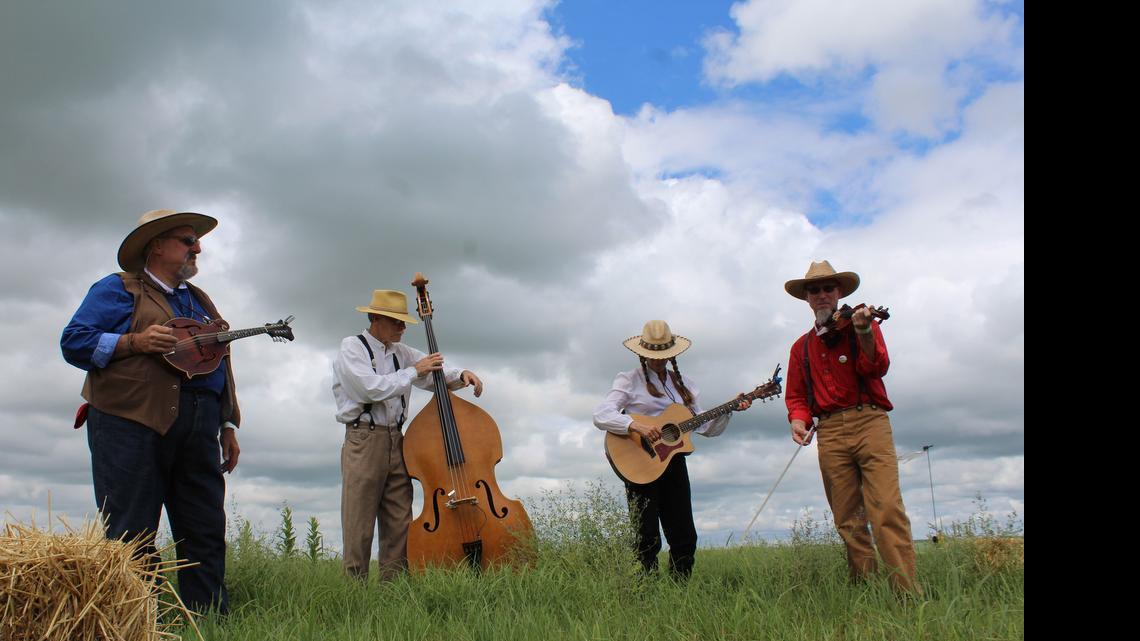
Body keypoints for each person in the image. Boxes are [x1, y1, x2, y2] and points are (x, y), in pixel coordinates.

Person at [60, 209, 241, 614]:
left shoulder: (200, 302)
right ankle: (138, 621)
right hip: (130, 422)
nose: (197, 248)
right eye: (186, 240)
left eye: (196, 241)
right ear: (155, 245)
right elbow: (74, 342)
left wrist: (227, 423)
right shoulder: (118, 289)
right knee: (132, 530)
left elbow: (219, 365)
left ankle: (208, 619)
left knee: (205, 527)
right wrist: (134, 342)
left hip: (199, 424)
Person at [783, 260, 920, 594]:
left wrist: (862, 330)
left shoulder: (862, 324)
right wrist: (798, 419)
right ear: (806, 298)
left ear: (839, 292)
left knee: (886, 509)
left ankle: (907, 596)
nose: (821, 295)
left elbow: (876, 367)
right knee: (848, 519)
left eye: (828, 288)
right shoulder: (801, 347)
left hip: (870, 420)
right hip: (828, 430)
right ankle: (867, 593)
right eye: (814, 290)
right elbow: (797, 395)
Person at [331, 289, 483, 581]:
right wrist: (414, 372)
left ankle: (393, 590)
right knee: (359, 521)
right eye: (397, 322)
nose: (403, 328)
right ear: (375, 318)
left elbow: (435, 369)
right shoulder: (353, 347)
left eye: (404, 323)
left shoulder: (402, 352)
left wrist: (462, 373)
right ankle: (354, 595)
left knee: (399, 519)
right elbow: (369, 388)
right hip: (363, 439)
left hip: (397, 440)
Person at [593, 320, 751, 579]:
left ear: (672, 354)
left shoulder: (684, 384)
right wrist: (636, 426)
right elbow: (601, 415)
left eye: (663, 356)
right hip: (639, 462)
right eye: (653, 356)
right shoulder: (629, 380)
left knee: (684, 534)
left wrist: (730, 409)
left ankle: (680, 592)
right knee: (646, 535)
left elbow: (705, 427)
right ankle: (645, 592)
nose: (658, 361)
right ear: (643, 353)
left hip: (673, 462)